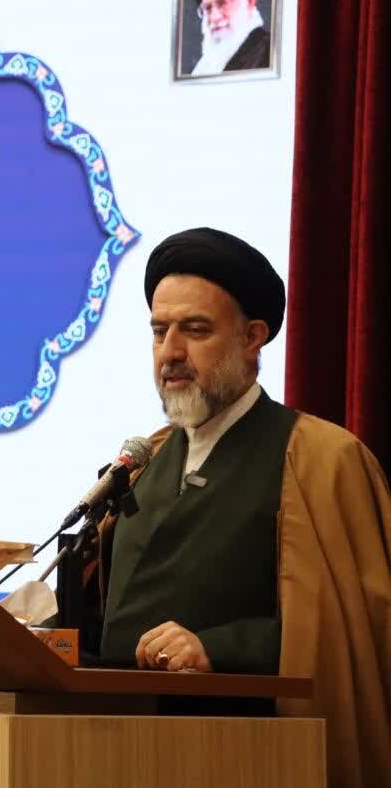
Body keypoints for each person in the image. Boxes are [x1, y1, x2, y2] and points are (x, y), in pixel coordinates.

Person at [92, 227, 390, 788]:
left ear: (253, 337)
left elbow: (349, 634)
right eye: (159, 331)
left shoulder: (320, 459)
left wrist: (217, 647)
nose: (170, 353)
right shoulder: (147, 460)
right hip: (112, 751)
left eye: (195, 330)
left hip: (246, 756)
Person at [189, 0, 271, 75]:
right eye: (208, 8)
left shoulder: (269, 53)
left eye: (224, 3)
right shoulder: (205, 65)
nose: (214, 17)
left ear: (250, 0)